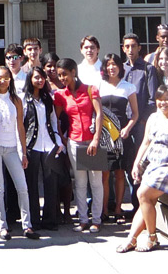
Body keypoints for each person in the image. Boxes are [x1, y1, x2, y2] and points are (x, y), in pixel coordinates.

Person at [116, 85, 168, 253]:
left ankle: (152, 237)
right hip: (153, 164)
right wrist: (137, 163)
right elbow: (146, 143)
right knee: (145, 201)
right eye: (160, 99)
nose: (163, 103)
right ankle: (131, 239)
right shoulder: (153, 117)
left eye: (167, 99)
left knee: (143, 194)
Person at [0, 66, 39, 240]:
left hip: (11, 148)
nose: (3, 81)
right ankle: (2, 226)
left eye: (6, 77)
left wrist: (23, 152)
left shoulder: (15, 99)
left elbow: (21, 126)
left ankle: (27, 225)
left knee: (22, 187)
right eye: (0, 77)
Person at [54, 58, 104, 233]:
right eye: (59, 75)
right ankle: (83, 220)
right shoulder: (61, 95)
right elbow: (56, 118)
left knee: (96, 182)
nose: (62, 78)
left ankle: (96, 220)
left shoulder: (90, 89)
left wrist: (96, 139)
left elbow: (99, 114)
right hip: (74, 141)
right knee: (80, 183)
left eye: (65, 74)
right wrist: (62, 137)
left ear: (74, 72)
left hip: (92, 141)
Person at [98, 53, 138, 223]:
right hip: (104, 134)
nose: (111, 67)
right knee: (104, 175)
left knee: (120, 173)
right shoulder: (99, 86)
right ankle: (104, 210)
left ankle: (118, 209)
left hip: (121, 134)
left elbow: (135, 114)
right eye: (108, 64)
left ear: (121, 67)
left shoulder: (128, 87)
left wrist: (128, 128)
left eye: (115, 64)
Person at [122, 33, 158, 214]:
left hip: (140, 125)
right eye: (127, 46)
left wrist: (142, 121)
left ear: (139, 48)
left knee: (140, 162)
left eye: (133, 46)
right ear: (123, 48)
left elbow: (152, 99)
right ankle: (132, 202)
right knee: (127, 163)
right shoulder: (120, 69)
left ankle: (140, 205)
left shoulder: (147, 69)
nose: (130, 50)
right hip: (123, 125)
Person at [23, 67, 63, 230]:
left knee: (50, 182)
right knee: (31, 184)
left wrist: (58, 140)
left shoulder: (48, 99)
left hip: (49, 144)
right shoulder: (23, 99)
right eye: (36, 78)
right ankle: (34, 220)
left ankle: (50, 219)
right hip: (31, 145)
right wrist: (22, 148)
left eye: (42, 78)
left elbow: (53, 121)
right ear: (30, 79)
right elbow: (20, 125)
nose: (40, 81)